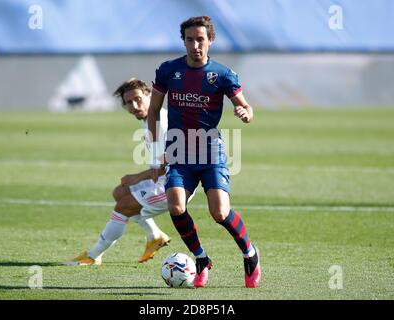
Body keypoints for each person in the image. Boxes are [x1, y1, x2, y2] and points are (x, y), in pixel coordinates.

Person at [147, 16, 261, 288]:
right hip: (178, 153)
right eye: (190, 39)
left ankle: (250, 253)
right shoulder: (168, 71)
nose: (195, 45)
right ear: (183, 41)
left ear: (210, 40)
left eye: (201, 39)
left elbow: (248, 108)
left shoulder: (222, 74)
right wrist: (154, 154)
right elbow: (153, 112)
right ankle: (200, 258)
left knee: (220, 213)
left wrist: (245, 113)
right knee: (176, 206)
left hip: (211, 153)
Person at [65, 79, 172, 266]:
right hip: (163, 178)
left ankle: (93, 255)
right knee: (120, 192)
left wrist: (136, 177)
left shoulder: (160, 122)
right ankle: (154, 236)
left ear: (150, 96)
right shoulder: (149, 121)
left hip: (176, 186)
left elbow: (167, 164)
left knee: (124, 206)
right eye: (129, 103)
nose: (134, 106)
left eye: (138, 99)